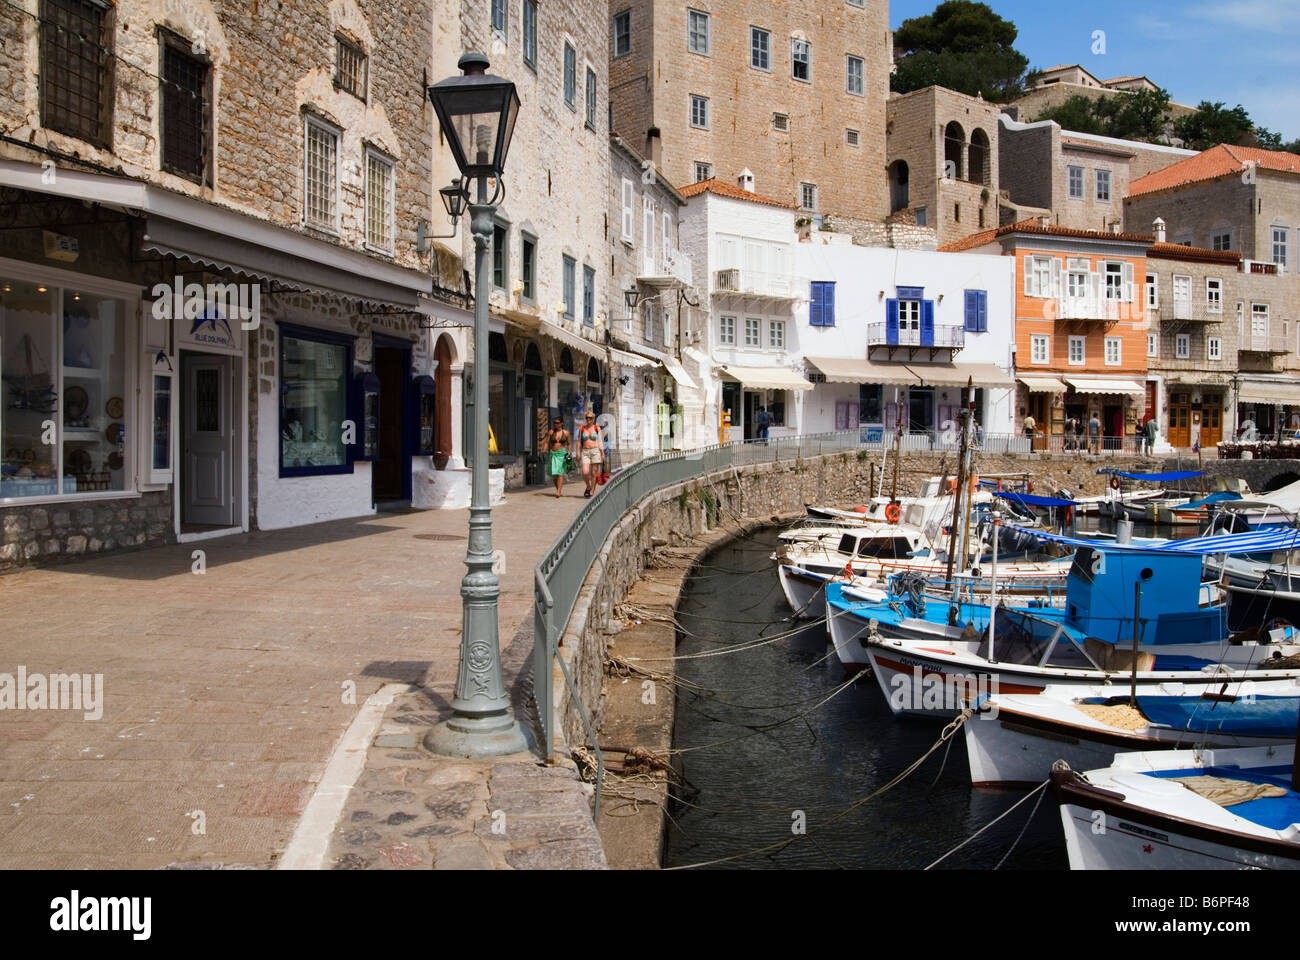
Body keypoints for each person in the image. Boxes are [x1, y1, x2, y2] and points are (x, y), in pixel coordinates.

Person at [542, 416, 570, 498]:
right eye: (554, 423)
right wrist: (543, 450)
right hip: (553, 454)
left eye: (557, 423)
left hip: (562, 454)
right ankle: (558, 489)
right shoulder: (551, 432)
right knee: (553, 475)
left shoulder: (566, 433)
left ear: (562, 423)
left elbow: (569, 444)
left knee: (559, 472)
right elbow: (547, 442)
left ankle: (558, 491)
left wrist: (569, 453)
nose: (556, 424)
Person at [577, 411, 603, 498]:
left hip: (595, 451)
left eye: (590, 418)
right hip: (585, 451)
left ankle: (592, 490)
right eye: (587, 417)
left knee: (593, 472)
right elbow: (579, 442)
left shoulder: (597, 428)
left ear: (593, 419)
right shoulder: (582, 428)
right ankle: (588, 486)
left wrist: (602, 453)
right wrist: (577, 452)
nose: (588, 419)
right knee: (585, 472)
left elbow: (600, 442)